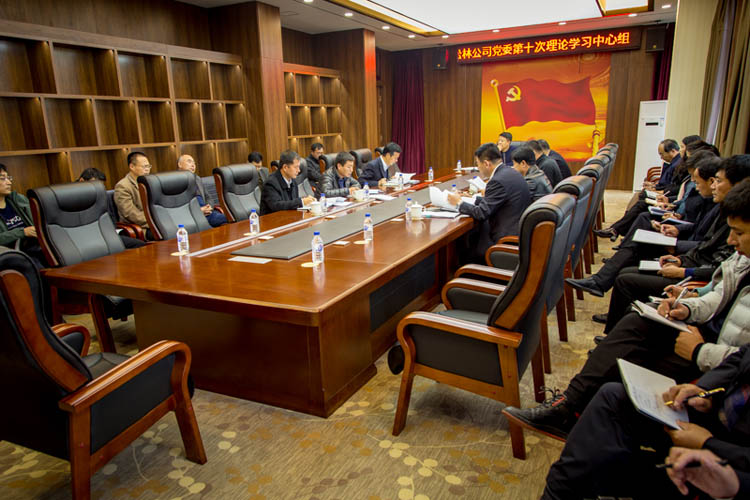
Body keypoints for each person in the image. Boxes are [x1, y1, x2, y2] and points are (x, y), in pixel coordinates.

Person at [503, 177, 750, 442]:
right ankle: (570, 404)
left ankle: (572, 405)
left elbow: (743, 359)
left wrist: (700, 351)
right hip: (705, 330)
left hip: (718, 363)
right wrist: (687, 309)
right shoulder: (743, 259)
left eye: (738, 233)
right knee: (637, 319)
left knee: (627, 307)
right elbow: (718, 295)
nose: (731, 241)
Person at [538, 338, 750, 500]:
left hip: (734, 459)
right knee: (614, 397)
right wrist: (705, 390)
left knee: (597, 459)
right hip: (718, 415)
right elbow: (741, 356)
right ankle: (560, 490)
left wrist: (707, 443)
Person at [568, 155, 748, 299]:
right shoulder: (721, 205)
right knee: (641, 229)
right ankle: (605, 274)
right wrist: (677, 227)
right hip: (688, 253)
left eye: (717, 181)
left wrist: (679, 255)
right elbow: (698, 229)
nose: (713, 186)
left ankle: (603, 276)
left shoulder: (734, 216)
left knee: (629, 268)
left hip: (692, 265)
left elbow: (714, 257)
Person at [446, 142, 531, 264]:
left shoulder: (497, 181)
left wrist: (459, 202)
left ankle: (465, 271)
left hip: (504, 239)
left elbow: (482, 213)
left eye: (478, 164)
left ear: (486, 163)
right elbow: (499, 200)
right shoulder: (510, 173)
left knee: (466, 246)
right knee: (472, 236)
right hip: (518, 231)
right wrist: (473, 199)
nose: (478, 168)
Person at [596, 139, 683, 241]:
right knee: (640, 198)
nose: (661, 157)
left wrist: (657, 190)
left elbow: (673, 187)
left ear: (672, 151)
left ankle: (618, 230)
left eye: (662, 154)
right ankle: (618, 229)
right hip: (665, 195)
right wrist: (654, 186)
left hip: (668, 199)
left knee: (641, 200)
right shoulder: (674, 162)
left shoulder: (678, 165)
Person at [0, 164, 46, 268]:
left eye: (8, 178)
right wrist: (23, 232)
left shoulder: (17, 199)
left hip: (36, 243)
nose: (9, 182)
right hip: (13, 253)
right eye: (3, 179)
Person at [176, 154, 227, 228]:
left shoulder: (197, 179)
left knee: (232, 218)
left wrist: (209, 207)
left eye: (194, 163)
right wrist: (198, 211)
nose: (193, 165)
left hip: (208, 213)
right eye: (189, 162)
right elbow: (177, 208)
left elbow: (208, 197)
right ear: (180, 164)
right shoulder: (175, 181)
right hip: (192, 217)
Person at [260, 150, 315, 215]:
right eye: (296, 167)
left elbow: (292, 204)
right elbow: (276, 206)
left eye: (299, 167)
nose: (299, 170)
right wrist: (301, 202)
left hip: (289, 217)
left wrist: (306, 201)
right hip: (273, 219)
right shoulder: (270, 183)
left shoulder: (293, 181)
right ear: (285, 167)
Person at [114, 152, 153, 240]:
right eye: (144, 167)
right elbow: (130, 214)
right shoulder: (123, 186)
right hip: (141, 227)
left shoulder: (150, 182)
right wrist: (154, 221)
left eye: (148, 166)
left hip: (155, 222)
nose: (147, 170)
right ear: (132, 166)